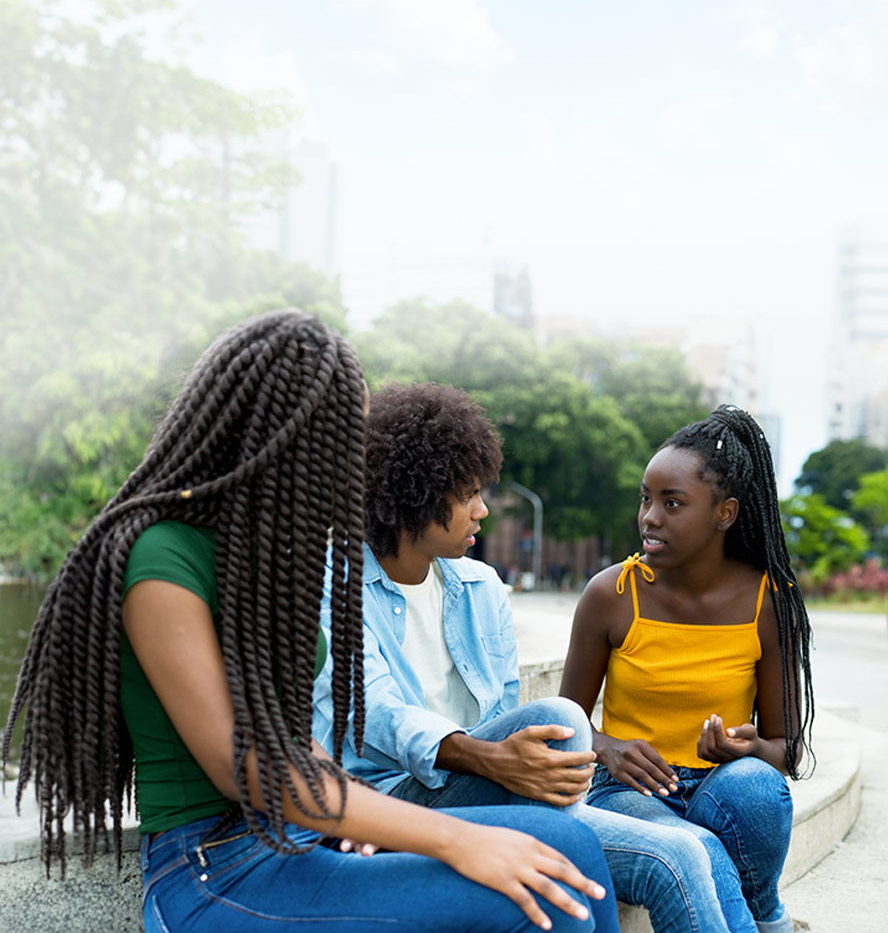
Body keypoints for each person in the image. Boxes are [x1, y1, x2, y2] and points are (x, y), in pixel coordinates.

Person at [3, 310, 615, 933]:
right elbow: (251, 770)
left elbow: (303, 747)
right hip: (216, 872)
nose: (354, 465)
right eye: (341, 443)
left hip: (304, 840)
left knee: (572, 850)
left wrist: (355, 824)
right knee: (537, 888)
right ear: (275, 439)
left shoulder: (268, 562)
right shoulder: (163, 556)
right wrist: (453, 839)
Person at [313, 380, 756, 933]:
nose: (481, 510)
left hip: (487, 794)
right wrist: (485, 758)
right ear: (414, 492)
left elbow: (499, 718)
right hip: (382, 803)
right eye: (466, 493)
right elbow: (374, 711)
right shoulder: (334, 583)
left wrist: (508, 764)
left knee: (684, 855)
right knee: (563, 718)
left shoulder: (481, 589)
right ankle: (569, 833)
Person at [561, 405, 815, 933]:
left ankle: (764, 907)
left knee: (756, 787)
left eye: (672, 503)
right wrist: (606, 745)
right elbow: (564, 721)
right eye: (646, 499)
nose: (650, 517)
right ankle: (770, 923)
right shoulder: (612, 594)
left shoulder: (769, 602)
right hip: (628, 792)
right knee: (693, 847)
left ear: (724, 513)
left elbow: (786, 749)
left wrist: (744, 750)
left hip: (722, 790)